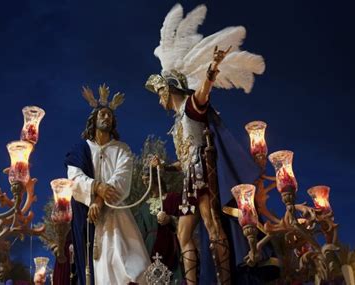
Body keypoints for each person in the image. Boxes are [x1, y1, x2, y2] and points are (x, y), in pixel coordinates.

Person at [145, 4, 276, 284]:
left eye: (160, 93)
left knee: (213, 225)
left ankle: (225, 280)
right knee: (183, 234)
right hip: (190, 179)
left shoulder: (192, 107)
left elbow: (203, 94)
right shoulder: (179, 121)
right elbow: (184, 159)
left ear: (170, 90)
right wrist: (165, 166)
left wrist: (212, 69)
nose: (159, 99)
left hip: (204, 175)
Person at [65, 84, 150, 284]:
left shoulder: (122, 149)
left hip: (116, 215)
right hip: (88, 218)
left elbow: (121, 177)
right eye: (102, 114)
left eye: (109, 116)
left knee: (132, 267)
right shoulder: (80, 149)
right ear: (93, 120)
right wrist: (96, 187)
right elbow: (74, 178)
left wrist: (100, 200)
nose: (106, 117)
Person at [134, 159, 183, 283]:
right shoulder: (143, 208)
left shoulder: (173, 198)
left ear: (155, 178)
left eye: (147, 179)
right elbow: (140, 234)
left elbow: (185, 222)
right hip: (149, 249)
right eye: (144, 180)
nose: (145, 183)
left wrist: (170, 219)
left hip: (171, 246)